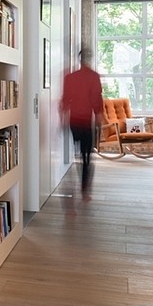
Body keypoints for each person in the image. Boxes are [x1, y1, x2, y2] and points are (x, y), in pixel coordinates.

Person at [60, 48, 103, 197]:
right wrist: (99, 118)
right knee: (87, 155)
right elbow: (96, 99)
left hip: (74, 121)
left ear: (79, 59)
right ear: (89, 59)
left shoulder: (71, 77)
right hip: (86, 121)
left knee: (79, 152)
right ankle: (85, 188)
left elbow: (65, 100)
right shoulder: (94, 77)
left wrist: (62, 118)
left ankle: (80, 179)